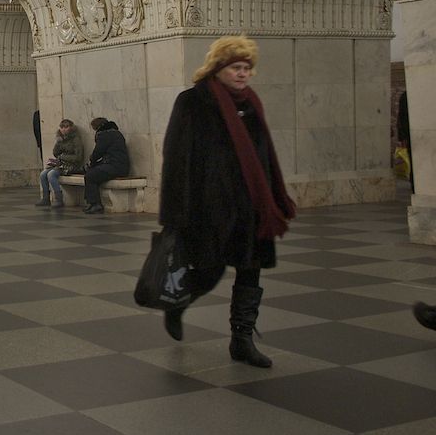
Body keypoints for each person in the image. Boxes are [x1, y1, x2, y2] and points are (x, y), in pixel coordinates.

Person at [158, 35, 295, 368]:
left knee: (251, 271)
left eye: (247, 68)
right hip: (210, 208)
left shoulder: (251, 103)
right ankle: (177, 304)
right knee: (208, 270)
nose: (242, 74)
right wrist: (175, 213)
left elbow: (263, 156)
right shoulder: (192, 102)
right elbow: (176, 158)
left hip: (252, 208)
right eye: (235, 67)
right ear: (217, 68)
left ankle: (242, 339)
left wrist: (271, 198)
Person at [83, 117, 131, 214]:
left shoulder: (104, 135)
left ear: (98, 127)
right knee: (92, 173)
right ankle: (92, 203)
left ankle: (95, 204)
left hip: (114, 166)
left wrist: (92, 160)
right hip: (122, 166)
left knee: (90, 176)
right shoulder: (117, 133)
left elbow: (98, 151)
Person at [36, 119, 83, 207]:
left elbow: (78, 157)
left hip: (71, 165)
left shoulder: (76, 140)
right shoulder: (62, 139)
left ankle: (59, 199)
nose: (63, 130)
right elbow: (56, 153)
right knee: (43, 174)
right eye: (62, 127)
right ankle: (46, 198)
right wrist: (58, 142)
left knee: (51, 174)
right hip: (61, 164)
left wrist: (63, 157)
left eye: (66, 127)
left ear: (70, 128)